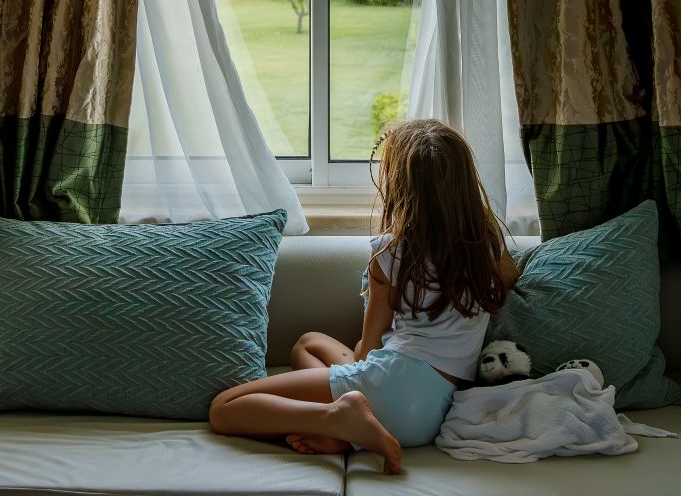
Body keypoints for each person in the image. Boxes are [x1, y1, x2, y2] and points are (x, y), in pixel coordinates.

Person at [208, 118, 519, 474]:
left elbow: (369, 347)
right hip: (429, 416)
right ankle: (349, 431)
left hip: (390, 381)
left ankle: (334, 418)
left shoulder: (390, 253)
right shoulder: (488, 250)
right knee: (308, 344)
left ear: (400, 187)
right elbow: (510, 277)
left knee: (224, 408)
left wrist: (358, 367)